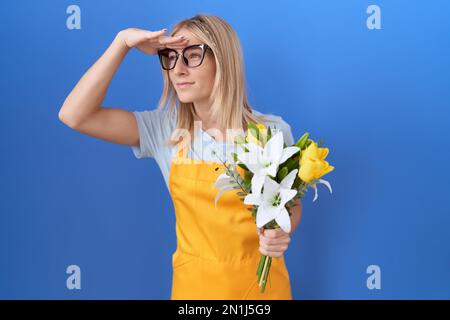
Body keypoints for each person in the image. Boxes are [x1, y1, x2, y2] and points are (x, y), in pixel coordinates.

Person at [58, 13, 302, 300]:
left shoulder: (271, 131)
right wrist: (121, 42)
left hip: (262, 292)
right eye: (171, 57)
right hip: (194, 293)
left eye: (192, 55)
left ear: (223, 60)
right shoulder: (166, 131)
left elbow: (290, 205)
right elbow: (74, 115)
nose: (178, 69)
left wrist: (280, 234)